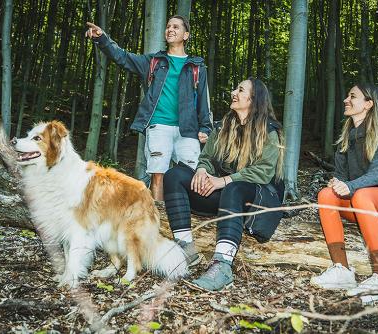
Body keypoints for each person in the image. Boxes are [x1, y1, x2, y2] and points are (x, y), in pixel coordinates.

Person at [163, 78, 285, 291]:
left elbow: (264, 171)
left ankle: (222, 265)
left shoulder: (269, 130)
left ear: (254, 98)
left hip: (254, 201)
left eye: (240, 90)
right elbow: (207, 158)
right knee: (174, 175)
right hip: (225, 196)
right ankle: (185, 249)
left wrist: (224, 180)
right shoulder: (223, 126)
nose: (233, 92)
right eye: (235, 88)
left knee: (234, 187)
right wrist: (202, 171)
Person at [85, 16, 212, 201]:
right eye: (168, 26)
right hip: (158, 126)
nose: (170, 29)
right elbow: (123, 57)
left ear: (186, 35)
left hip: (188, 129)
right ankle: (158, 221)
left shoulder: (197, 67)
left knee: (193, 176)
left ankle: (186, 221)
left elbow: (203, 101)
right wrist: (102, 38)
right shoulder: (153, 61)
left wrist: (205, 127)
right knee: (158, 174)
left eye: (175, 27)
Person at [310, 83, 378, 305]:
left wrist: (350, 186)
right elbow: (341, 175)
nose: (346, 100)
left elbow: (377, 175)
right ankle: (342, 270)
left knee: (361, 194)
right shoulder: (346, 137)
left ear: (368, 104)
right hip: (362, 204)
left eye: (353, 96)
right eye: (347, 96)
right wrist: (337, 183)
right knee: (326, 195)